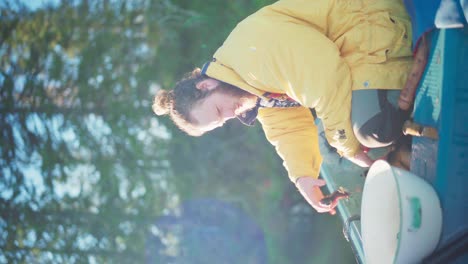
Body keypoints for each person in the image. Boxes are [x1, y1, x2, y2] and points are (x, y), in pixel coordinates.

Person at [153, 0, 414, 214]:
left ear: (206, 86)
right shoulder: (246, 86)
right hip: (348, 53)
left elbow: (324, 74)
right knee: (337, 140)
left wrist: (347, 146)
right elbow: (287, 127)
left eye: (220, 111)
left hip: (368, 23)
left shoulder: (252, 56)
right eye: (222, 122)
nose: (231, 115)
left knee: (372, 129)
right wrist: (302, 177)